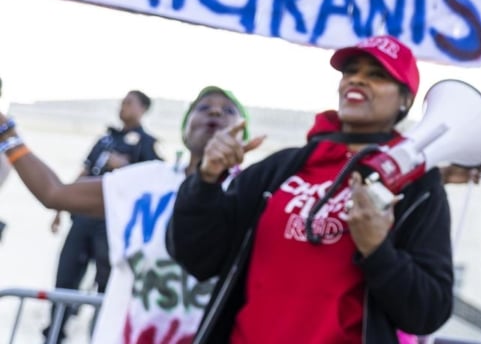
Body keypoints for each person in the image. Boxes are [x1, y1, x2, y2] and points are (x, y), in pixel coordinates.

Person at [167, 35, 454, 344]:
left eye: (377, 74)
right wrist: (206, 180)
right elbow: (196, 257)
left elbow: (429, 310)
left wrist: (377, 250)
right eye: (350, 71)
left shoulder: (417, 186)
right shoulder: (277, 169)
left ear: (405, 100)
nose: (357, 80)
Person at [0, 86, 252, 344]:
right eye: (203, 107)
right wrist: (8, 135)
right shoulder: (145, 181)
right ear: (185, 127)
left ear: (244, 134)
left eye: (229, 110)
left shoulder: (254, 195)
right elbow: (54, 193)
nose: (215, 111)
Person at [47, 89, 162, 341]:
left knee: (107, 287)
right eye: (122, 102)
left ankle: (98, 337)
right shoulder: (105, 139)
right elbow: (84, 172)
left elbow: (153, 185)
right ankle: (54, 334)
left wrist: (127, 168)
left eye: (129, 103)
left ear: (142, 109)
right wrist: (59, 206)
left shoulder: (147, 145)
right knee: (66, 277)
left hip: (112, 227)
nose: (123, 107)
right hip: (82, 219)